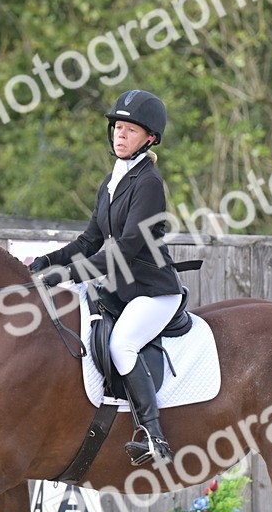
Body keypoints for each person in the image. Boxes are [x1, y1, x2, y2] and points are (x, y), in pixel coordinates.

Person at [29, 89, 183, 466]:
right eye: (117, 127)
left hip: (152, 292)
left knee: (122, 345)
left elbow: (125, 249)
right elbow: (89, 240)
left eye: (130, 130)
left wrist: (65, 275)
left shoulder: (148, 183)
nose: (120, 135)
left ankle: (153, 435)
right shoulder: (112, 180)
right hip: (121, 289)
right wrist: (43, 263)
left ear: (149, 138)